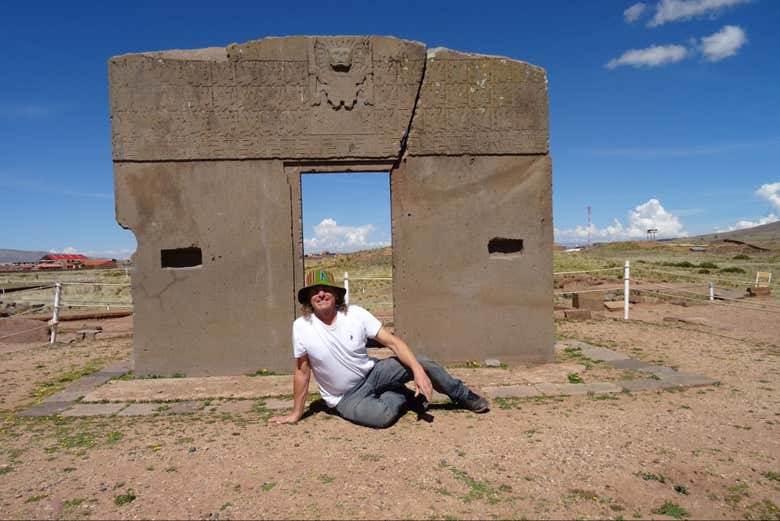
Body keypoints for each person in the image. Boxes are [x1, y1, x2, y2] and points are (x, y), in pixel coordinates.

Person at [269, 270, 489, 428]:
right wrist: (296, 413)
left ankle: (463, 396)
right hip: (345, 398)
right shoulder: (301, 327)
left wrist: (418, 371)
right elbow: (302, 371)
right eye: (315, 291)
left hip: (373, 374)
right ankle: (402, 395)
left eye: (326, 290)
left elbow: (393, 342)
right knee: (382, 417)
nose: (321, 294)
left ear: (336, 295)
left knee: (423, 362)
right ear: (309, 299)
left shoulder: (355, 314)